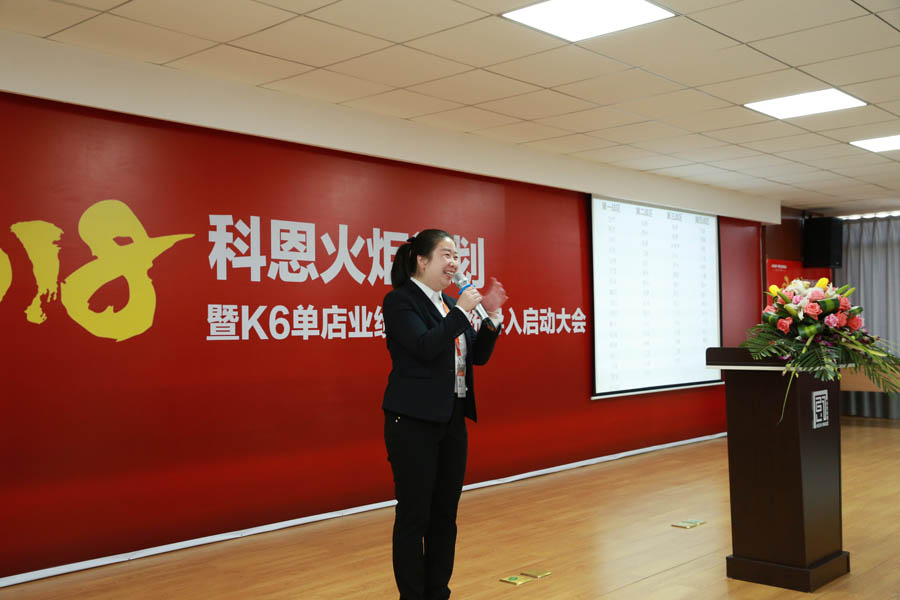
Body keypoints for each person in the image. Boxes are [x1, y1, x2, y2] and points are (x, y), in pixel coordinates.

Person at [382, 229, 507, 600]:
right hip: (413, 422)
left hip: (452, 418)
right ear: (422, 260)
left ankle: (438, 592)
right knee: (414, 515)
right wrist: (462, 312)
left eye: (456, 256)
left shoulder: (450, 304)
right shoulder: (401, 301)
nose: (454, 263)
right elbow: (424, 347)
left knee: (444, 515)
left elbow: (476, 356)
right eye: (446, 255)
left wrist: (491, 318)